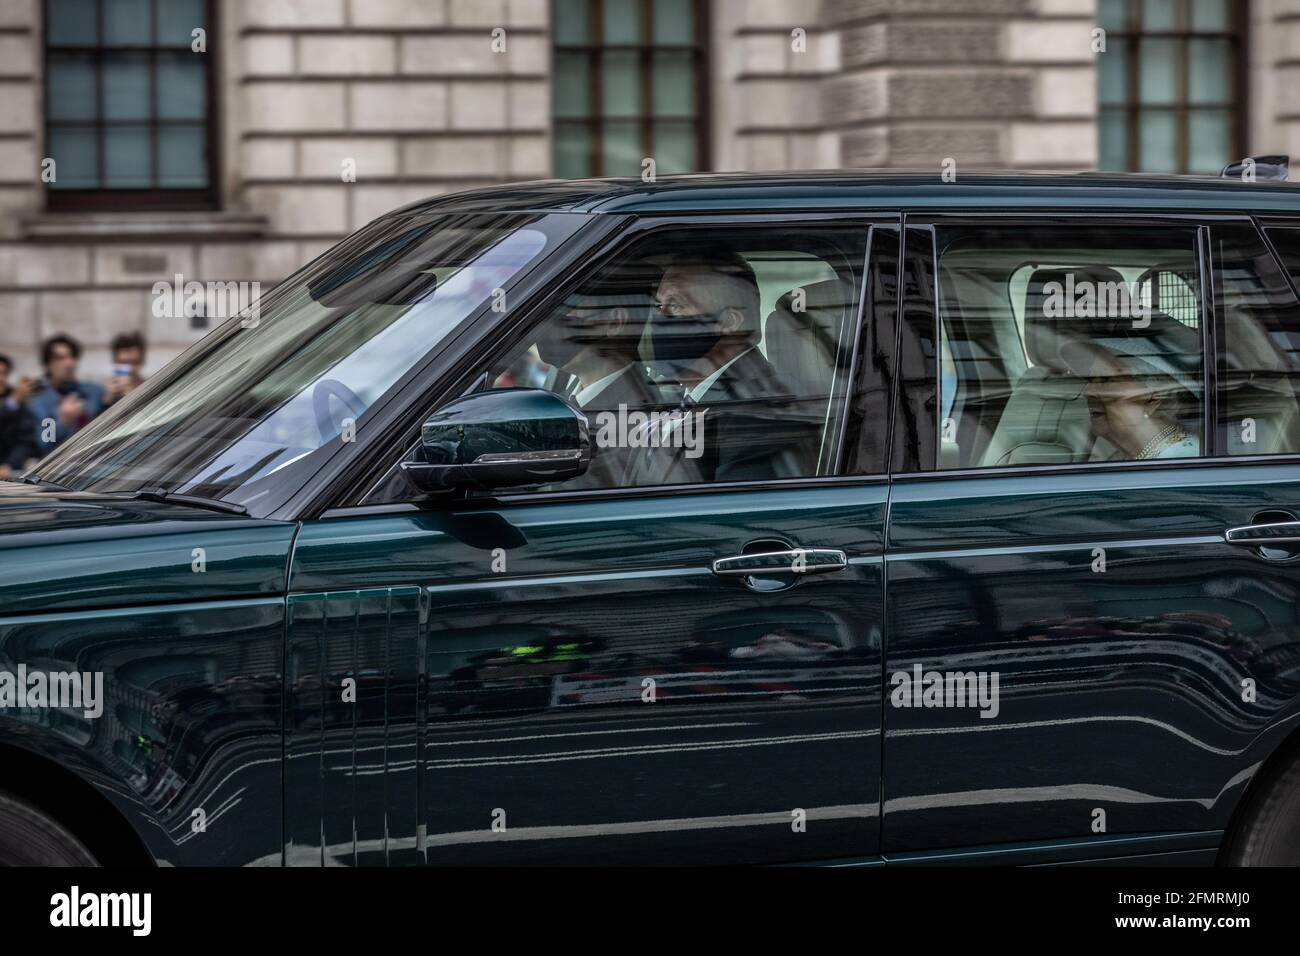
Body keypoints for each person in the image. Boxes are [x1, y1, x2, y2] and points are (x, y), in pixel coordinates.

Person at [626, 248, 804, 485]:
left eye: (676, 305)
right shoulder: (680, 400)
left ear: (729, 323)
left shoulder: (755, 418)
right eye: (659, 307)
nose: (659, 319)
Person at [1078, 345, 1200, 460]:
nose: (1089, 391)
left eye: (1106, 379)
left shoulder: (1179, 458)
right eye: (1090, 379)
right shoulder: (1138, 455)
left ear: (1153, 400)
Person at [28, 334, 104, 458]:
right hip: (62, 470)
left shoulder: (94, 392)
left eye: (72, 357)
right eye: (60, 358)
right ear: (47, 365)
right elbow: (44, 445)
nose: (69, 363)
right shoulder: (41, 403)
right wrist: (64, 422)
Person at [0, 354, 36, 479]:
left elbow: (24, 441)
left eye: (4, 373)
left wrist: (9, 465)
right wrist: (13, 401)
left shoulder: (19, 404)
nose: (1, 378)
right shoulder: (13, 401)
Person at [103, 331, 147, 408]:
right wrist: (107, 401)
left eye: (134, 362)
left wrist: (132, 398)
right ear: (115, 361)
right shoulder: (104, 392)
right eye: (124, 362)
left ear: (142, 362)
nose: (130, 369)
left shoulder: (150, 388)